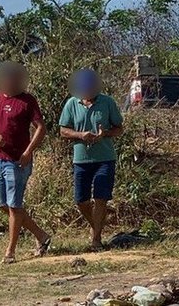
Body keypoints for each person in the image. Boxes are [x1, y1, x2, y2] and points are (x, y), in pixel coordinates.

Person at [0, 62, 51, 263]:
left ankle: (10, 251)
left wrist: (29, 152)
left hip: (18, 161)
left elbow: (40, 128)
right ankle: (42, 236)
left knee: (14, 206)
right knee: (4, 205)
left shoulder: (27, 101)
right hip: (0, 160)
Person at [58, 68, 124, 251]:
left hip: (105, 158)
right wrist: (80, 135)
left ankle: (96, 239)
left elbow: (119, 128)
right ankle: (96, 226)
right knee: (81, 200)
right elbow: (63, 130)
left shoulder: (107, 102)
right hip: (81, 159)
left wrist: (106, 134)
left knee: (101, 198)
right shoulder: (72, 104)